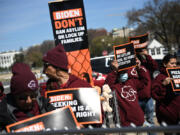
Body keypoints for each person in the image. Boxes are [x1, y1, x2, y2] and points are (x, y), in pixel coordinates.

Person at [0, 63, 55, 132]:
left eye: (33, 96)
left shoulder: (45, 106)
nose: (29, 101)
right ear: (14, 96)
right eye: (22, 97)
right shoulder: (3, 113)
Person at [105, 58, 149, 127]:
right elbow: (108, 84)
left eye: (125, 72)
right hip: (126, 124)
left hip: (140, 121)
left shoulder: (132, 82)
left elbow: (145, 81)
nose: (124, 74)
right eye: (121, 72)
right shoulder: (115, 86)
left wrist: (139, 68)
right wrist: (115, 70)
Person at [152, 54, 180, 125]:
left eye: (175, 63)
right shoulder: (160, 77)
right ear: (165, 64)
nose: (174, 65)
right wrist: (163, 84)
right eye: (172, 63)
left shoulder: (178, 75)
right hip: (167, 116)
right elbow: (154, 94)